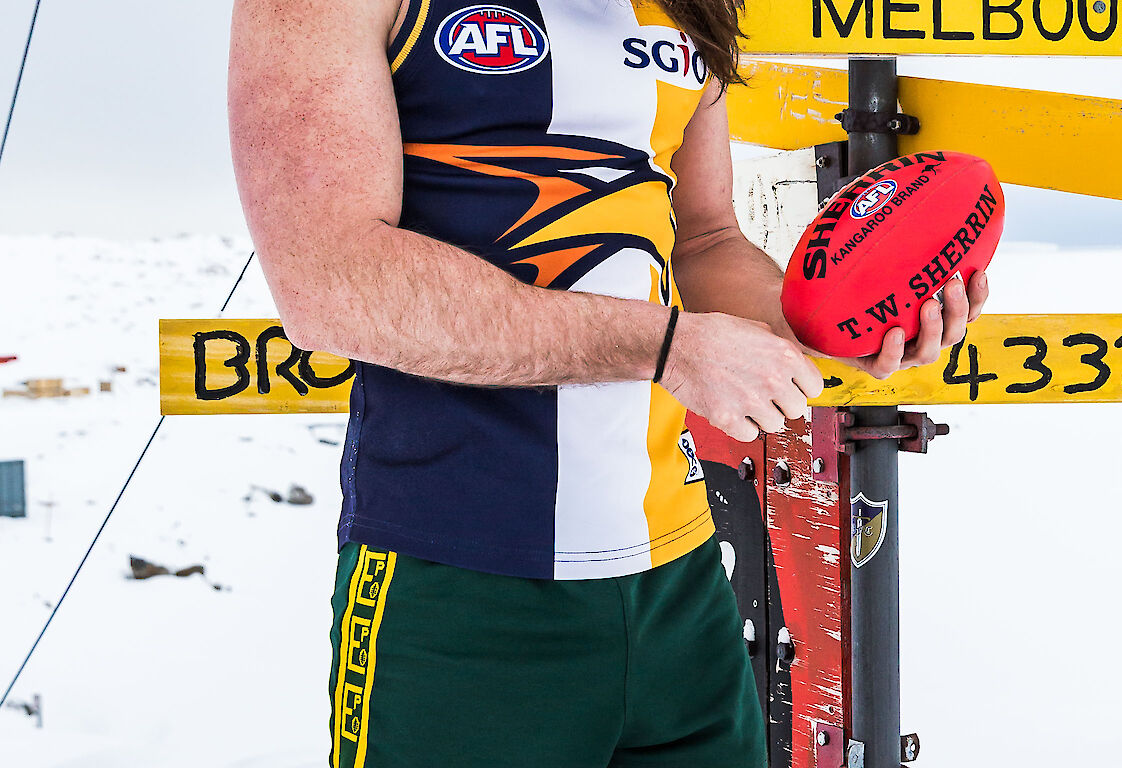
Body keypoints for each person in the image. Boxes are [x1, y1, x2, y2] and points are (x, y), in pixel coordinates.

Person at [227, 0, 988, 764]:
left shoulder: (693, 6)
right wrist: (669, 349)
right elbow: (331, 283)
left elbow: (705, 238)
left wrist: (838, 331)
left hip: (680, 586)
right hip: (459, 581)